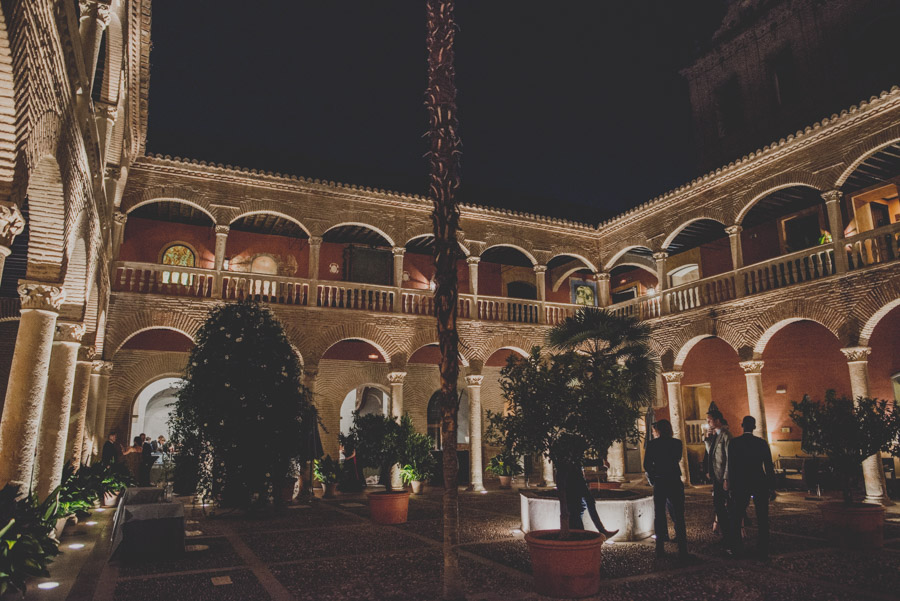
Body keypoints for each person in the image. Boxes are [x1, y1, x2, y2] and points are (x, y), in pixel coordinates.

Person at [728, 415, 777, 558]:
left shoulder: (734, 443)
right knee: (762, 516)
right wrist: (772, 486)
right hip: (759, 481)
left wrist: (731, 485)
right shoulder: (761, 443)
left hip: (741, 482)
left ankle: (736, 548)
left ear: (742, 426)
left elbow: (732, 467)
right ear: (754, 427)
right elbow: (769, 466)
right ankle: (763, 548)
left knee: (737, 516)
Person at [644, 419, 689, 559]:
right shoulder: (677, 443)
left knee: (659, 514)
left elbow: (646, 464)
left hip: (660, 480)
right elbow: (677, 458)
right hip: (674, 480)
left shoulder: (652, 444)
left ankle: (660, 548)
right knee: (679, 514)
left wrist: (653, 476)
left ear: (658, 430)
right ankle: (683, 548)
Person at [560, 461, 619, 538]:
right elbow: (579, 461)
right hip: (576, 482)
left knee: (582, 506)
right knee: (583, 505)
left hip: (576, 481)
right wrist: (601, 462)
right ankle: (597, 532)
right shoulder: (571, 456)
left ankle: (587, 533)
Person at [705, 407, 733, 551]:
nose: (708, 423)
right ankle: (726, 535)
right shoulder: (715, 435)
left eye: (709, 420)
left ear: (717, 420)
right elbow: (711, 453)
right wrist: (707, 440)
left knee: (724, 506)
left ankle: (729, 537)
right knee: (718, 506)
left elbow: (729, 458)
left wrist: (727, 478)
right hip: (716, 476)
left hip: (723, 477)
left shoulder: (726, 436)